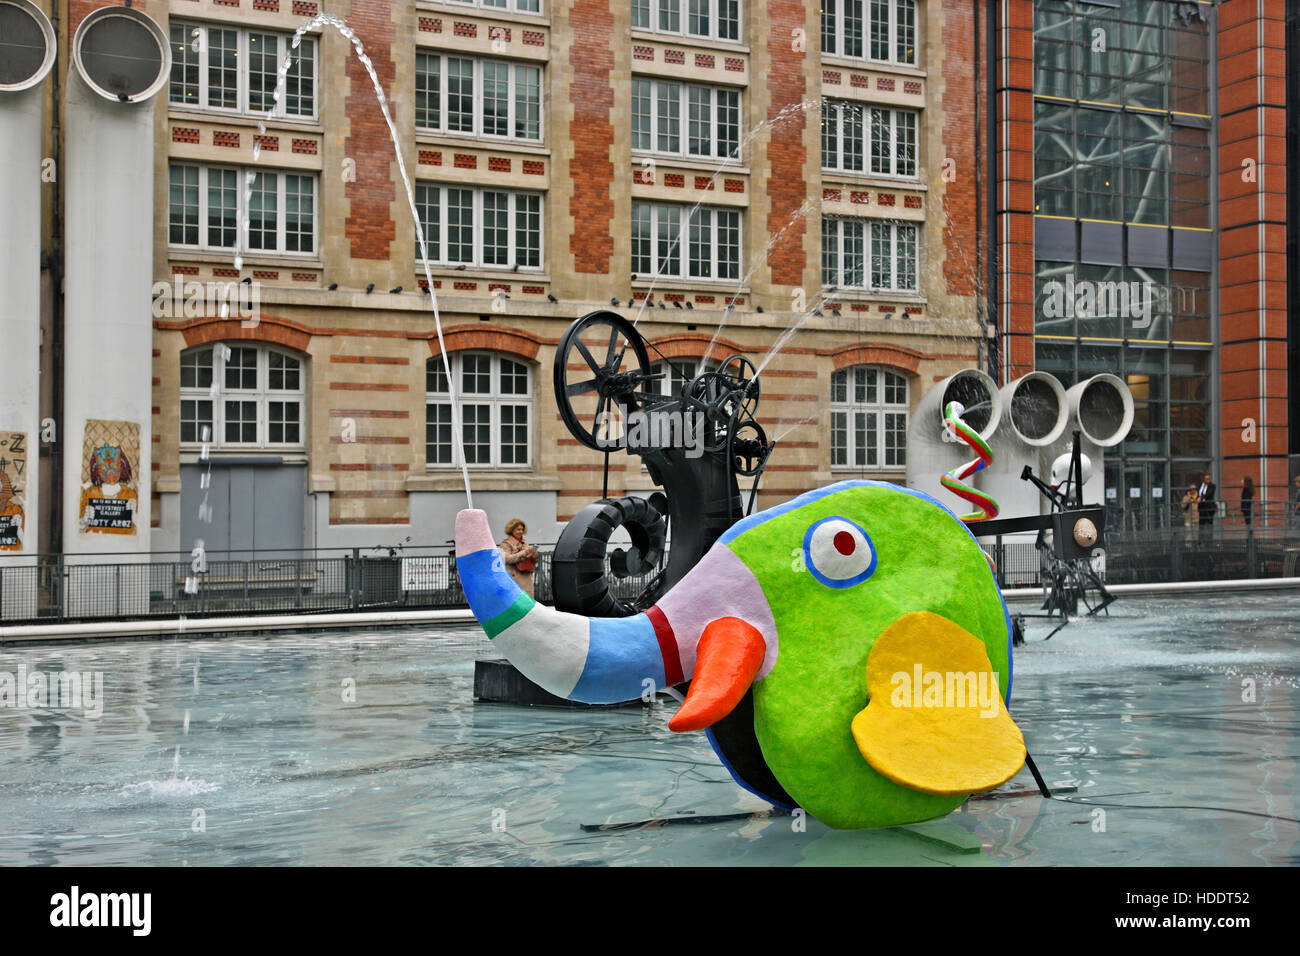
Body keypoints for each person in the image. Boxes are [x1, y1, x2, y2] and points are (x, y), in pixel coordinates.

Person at [499, 518, 538, 597]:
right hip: (514, 578)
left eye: (522, 529)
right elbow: (508, 559)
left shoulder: (524, 542)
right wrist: (524, 552)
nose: (521, 531)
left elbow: (532, 562)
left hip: (526, 575)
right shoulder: (506, 543)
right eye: (518, 529)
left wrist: (534, 556)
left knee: (527, 603)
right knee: (517, 601)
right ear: (512, 530)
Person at [1196, 470, 1216, 542]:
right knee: (1201, 525)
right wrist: (1197, 498)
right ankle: (1200, 541)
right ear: (1203, 479)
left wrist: (1201, 498)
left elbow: (1208, 494)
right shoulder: (1200, 485)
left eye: (1209, 479)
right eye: (1206, 479)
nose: (1208, 480)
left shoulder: (1212, 486)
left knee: (1209, 525)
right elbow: (1198, 494)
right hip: (1202, 507)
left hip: (1209, 507)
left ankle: (1209, 541)